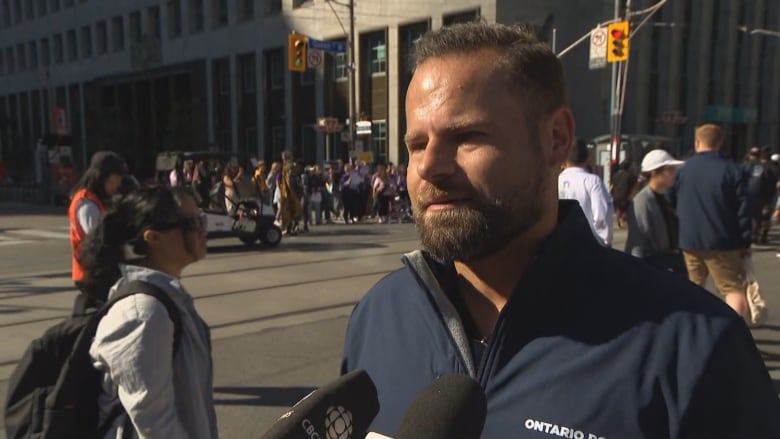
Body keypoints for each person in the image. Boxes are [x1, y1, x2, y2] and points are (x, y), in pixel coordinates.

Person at [341, 22, 780, 438]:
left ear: (556, 139)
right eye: (417, 144)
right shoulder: (379, 315)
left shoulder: (697, 347)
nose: (429, 167)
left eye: (467, 136)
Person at [79, 186, 218, 439]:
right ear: (153, 238)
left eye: (202, 219)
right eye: (192, 223)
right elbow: (155, 425)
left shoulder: (168, 299)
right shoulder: (143, 313)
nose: (203, 229)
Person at [668, 123, 753, 321]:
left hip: (690, 238)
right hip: (724, 240)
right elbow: (743, 210)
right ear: (720, 143)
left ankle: (691, 329)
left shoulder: (683, 170)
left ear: (697, 142)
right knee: (732, 289)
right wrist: (745, 241)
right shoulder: (732, 169)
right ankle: (733, 334)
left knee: (693, 287)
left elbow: (670, 197)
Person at [68, 151, 127, 310]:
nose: (118, 184)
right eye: (117, 178)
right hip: (92, 273)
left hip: (99, 271)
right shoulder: (86, 203)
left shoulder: (96, 200)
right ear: (104, 177)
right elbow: (98, 238)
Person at [624, 149, 686, 275]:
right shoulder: (642, 201)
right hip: (655, 265)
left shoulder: (664, 197)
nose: (674, 173)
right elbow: (637, 241)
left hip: (671, 262)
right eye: (669, 170)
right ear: (655, 173)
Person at [558, 138, 614, 246]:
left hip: (561, 244)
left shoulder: (556, 181)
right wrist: (605, 243)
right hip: (588, 244)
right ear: (587, 158)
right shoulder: (593, 181)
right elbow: (601, 216)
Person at [610, 159, 638, 228]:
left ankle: (619, 220)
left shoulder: (615, 175)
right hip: (626, 195)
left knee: (619, 208)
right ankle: (623, 220)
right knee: (626, 209)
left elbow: (612, 185)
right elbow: (634, 186)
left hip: (616, 195)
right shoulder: (631, 176)